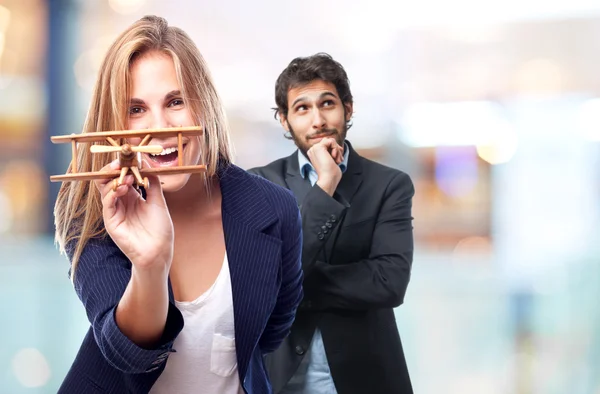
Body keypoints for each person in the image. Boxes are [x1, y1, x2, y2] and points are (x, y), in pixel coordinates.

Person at [53, 15, 303, 394]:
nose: (160, 126)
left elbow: (268, 335)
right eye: (136, 109)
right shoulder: (91, 210)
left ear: (203, 106)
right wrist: (150, 263)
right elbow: (128, 356)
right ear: (114, 122)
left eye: (176, 101)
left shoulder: (275, 209)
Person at [248, 53, 415, 394]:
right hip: (281, 378)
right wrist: (326, 184)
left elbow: (389, 283)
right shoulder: (260, 185)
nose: (318, 120)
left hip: (365, 376)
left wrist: (292, 286)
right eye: (302, 108)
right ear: (284, 120)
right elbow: (259, 282)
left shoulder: (389, 185)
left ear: (348, 109)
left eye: (327, 103)